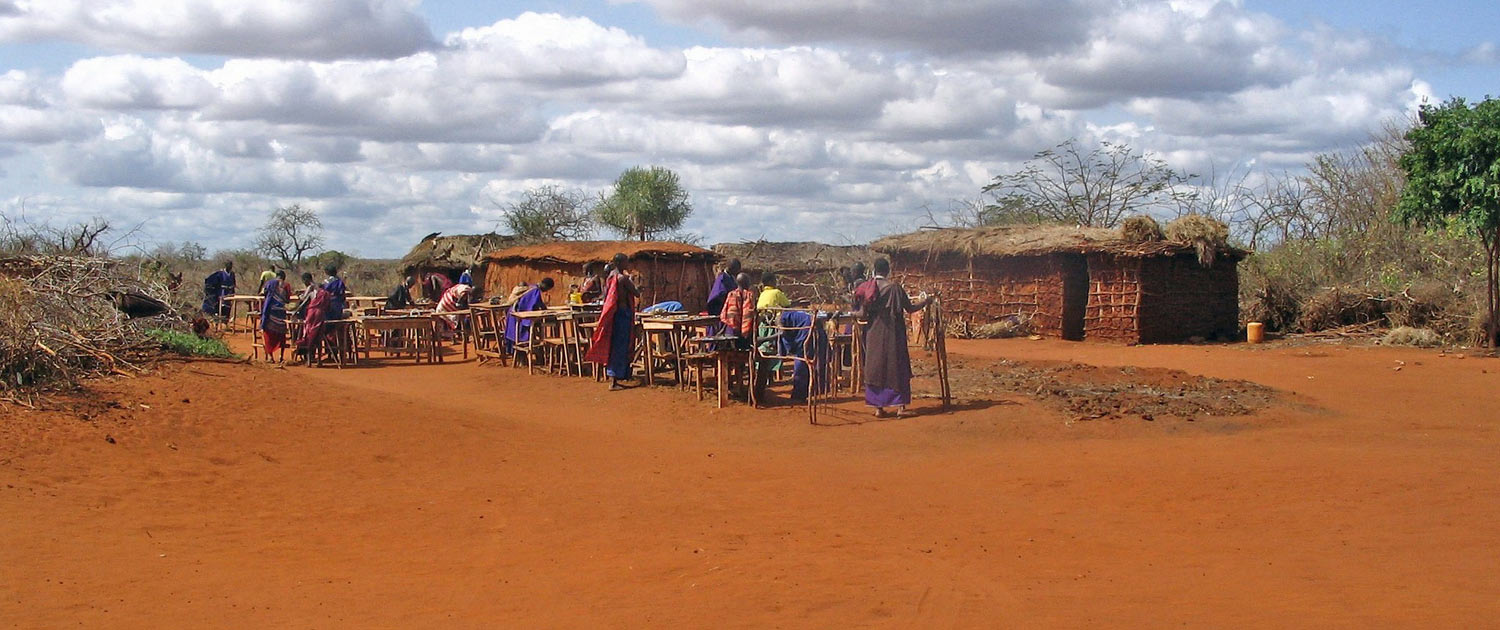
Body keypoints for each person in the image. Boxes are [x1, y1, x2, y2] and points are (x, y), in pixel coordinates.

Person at [852, 258, 934, 418]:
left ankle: (878, 408)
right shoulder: (895, 288)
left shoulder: (867, 287)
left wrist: (851, 314)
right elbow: (910, 308)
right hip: (893, 335)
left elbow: (862, 313)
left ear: (874, 270)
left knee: (875, 367)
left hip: (874, 334)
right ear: (887, 271)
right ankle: (900, 407)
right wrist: (926, 302)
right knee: (897, 366)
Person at [585, 253, 640, 391]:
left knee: (614, 344)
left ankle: (620, 376)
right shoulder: (622, 279)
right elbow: (636, 293)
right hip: (623, 315)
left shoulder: (610, 277)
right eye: (626, 262)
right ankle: (614, 380)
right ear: (621, 263)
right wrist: (635, 282)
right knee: (621, 346)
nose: (628, 265)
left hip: (614, 314)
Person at [504, 277, 553, 351]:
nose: (546, 290)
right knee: (521, 335)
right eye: (547, 288)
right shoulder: (535, 291)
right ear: (545, 285)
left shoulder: (531, 287)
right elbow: (533, 304)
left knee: (515, 335)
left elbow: (538, 303)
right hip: (518, 315)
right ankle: (527, 353)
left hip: (513, 313)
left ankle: (520, 356)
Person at [718, 273, 756, 346]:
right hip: (745, 334)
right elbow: (750, 314)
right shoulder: (750, 296)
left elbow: (725, 313)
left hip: (730, 330)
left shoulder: (731, 294)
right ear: (746, 283)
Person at [259, 270, 289, 362]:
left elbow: (264, 293)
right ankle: (281, 356)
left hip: (271, 311)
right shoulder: (286, 285)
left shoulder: (270, 283)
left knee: (268, 334)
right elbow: (287, 300)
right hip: (281, 313)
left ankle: (271, 357)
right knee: (281, 335)